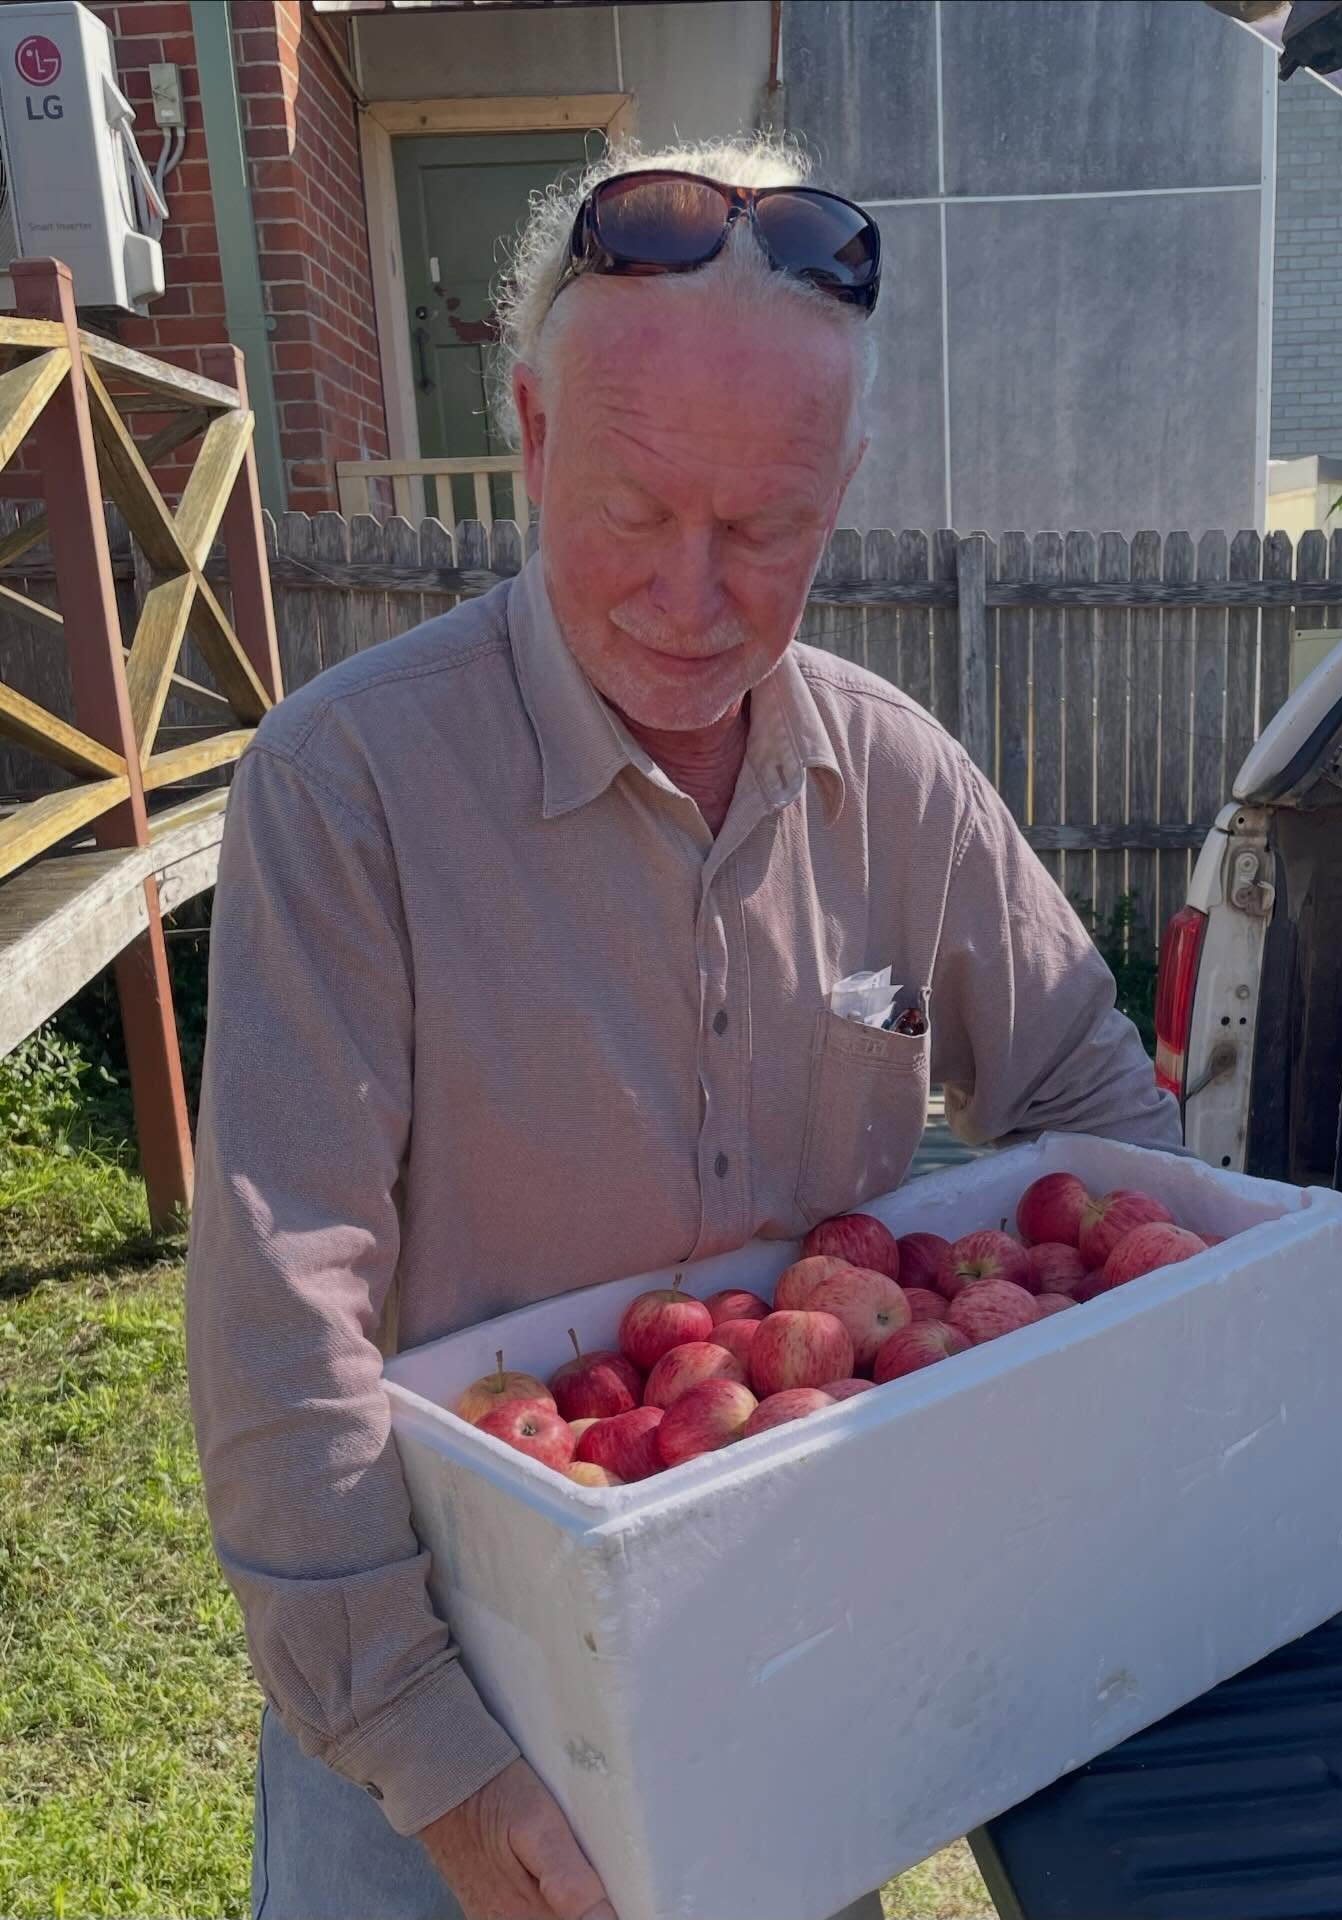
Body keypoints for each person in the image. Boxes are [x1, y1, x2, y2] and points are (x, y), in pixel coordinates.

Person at [186, 132, 1180, 1920]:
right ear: (534, 436)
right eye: (637, 512)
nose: (692, 597)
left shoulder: (900, 779)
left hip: (798, 1687)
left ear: (846, 485)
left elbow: (1102, 1111)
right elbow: (280, 1321)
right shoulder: (347, 790)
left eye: (769, 530)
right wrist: (435, 1760)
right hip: (459, 1730)